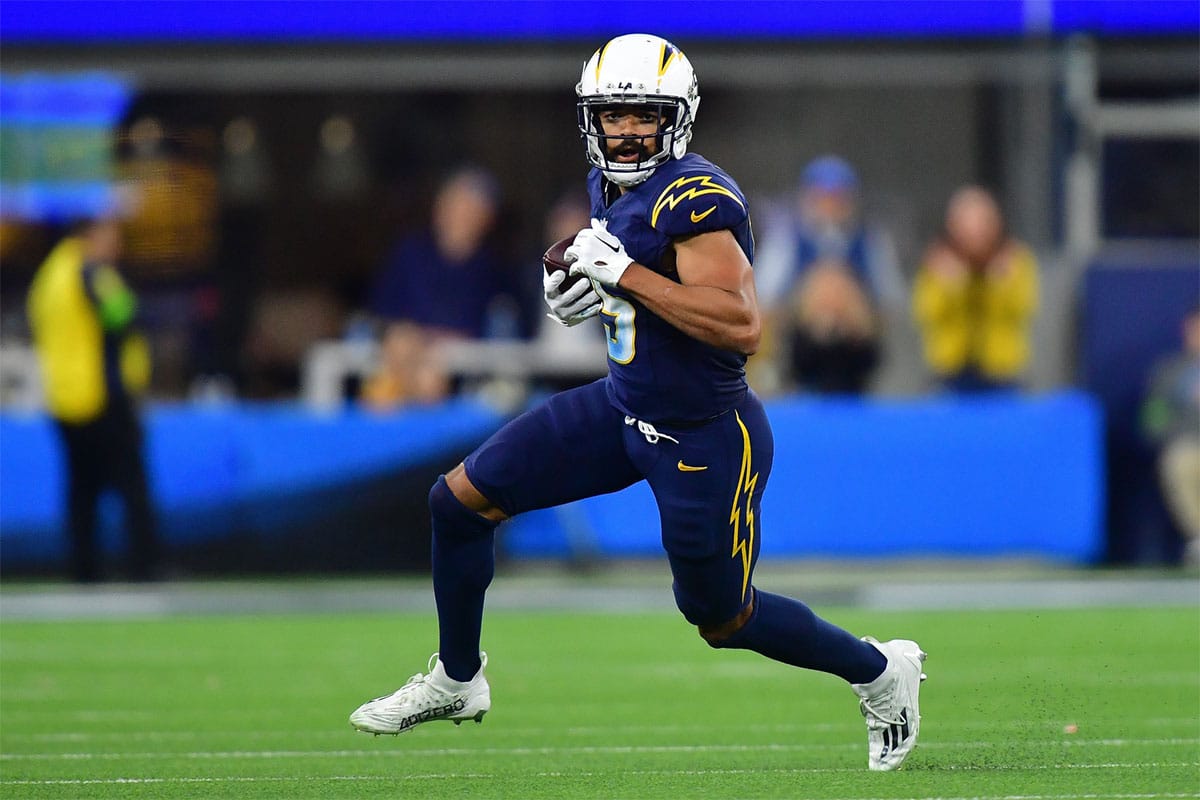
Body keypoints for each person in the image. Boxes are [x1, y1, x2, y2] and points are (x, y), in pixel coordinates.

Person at [349, 34, 927, 772]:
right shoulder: (611, 184)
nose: (624, 130)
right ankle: (457, 679)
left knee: (722, 618)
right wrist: (579, 288)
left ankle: (879, 672)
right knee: (456, 503)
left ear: (676, 118)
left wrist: (623, 276)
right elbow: (622, 269)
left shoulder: (698, 200)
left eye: (641, 114)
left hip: (703, 434)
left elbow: (741, 323)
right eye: (612, 114)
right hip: (621, 407)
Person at [26, 218, 159, 582]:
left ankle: (84, 571)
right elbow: (123, 315)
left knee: (81, 489)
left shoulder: (48, 277)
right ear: (90, 236)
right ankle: (145, 567)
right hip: (101, 394)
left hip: (63, 397)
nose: (116, 247)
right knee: (132, 485)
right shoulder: (90, 271)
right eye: (112, 237)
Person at [755, 156, 905, 394]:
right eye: (822, 198)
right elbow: (763, 298)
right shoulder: (787, 240)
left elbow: (890, 301)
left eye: (838, 198)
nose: (830, 207)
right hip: (801, 344)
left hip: (856, 347)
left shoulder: (869, 241)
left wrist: (849, 305)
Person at [363, 167, 512, 407]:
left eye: (473, 209)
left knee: (430, 380)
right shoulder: (410, 253)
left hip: (464, 372)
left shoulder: (494, 267)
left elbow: (498, 327)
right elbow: (383, 316)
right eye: (458, 205)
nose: (463, 216)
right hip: (404, 358)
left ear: (488, 218)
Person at [912, 186, 1039, 392]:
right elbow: (926, 313)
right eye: (966, 224)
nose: (974, 233)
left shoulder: (1016, 259)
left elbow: (1024, 309)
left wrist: (1000, 285)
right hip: (949, 373)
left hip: (1003, 372)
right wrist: (951, 288)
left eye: (981, 224)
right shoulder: (937, 261)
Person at [1141, 308, 1200, 565]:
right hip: (1188, 445)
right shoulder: (1169, 372)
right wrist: (1176, 434)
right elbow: (1153, 419)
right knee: (1178, 460)